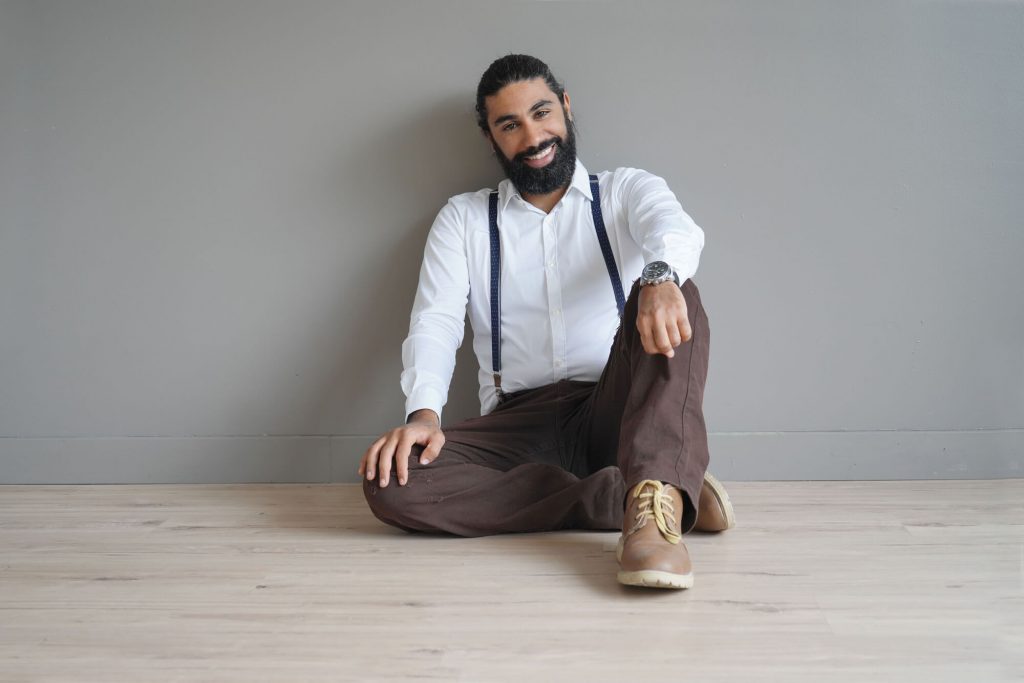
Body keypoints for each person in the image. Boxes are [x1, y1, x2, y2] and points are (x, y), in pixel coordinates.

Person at [358, 54, 735, 590]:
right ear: (491, 138)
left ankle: (653, 518)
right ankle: (645, 492)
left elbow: (675, 229)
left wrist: (658, 277)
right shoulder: (463, 219)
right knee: (391, 483)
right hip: (516, 425)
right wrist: (423, 416)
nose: (533, 136)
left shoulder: (624, 191)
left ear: (565, 106)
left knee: (677, 290)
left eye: (541, 113)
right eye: (510, 125)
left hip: (614, 408)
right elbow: (435, 320)